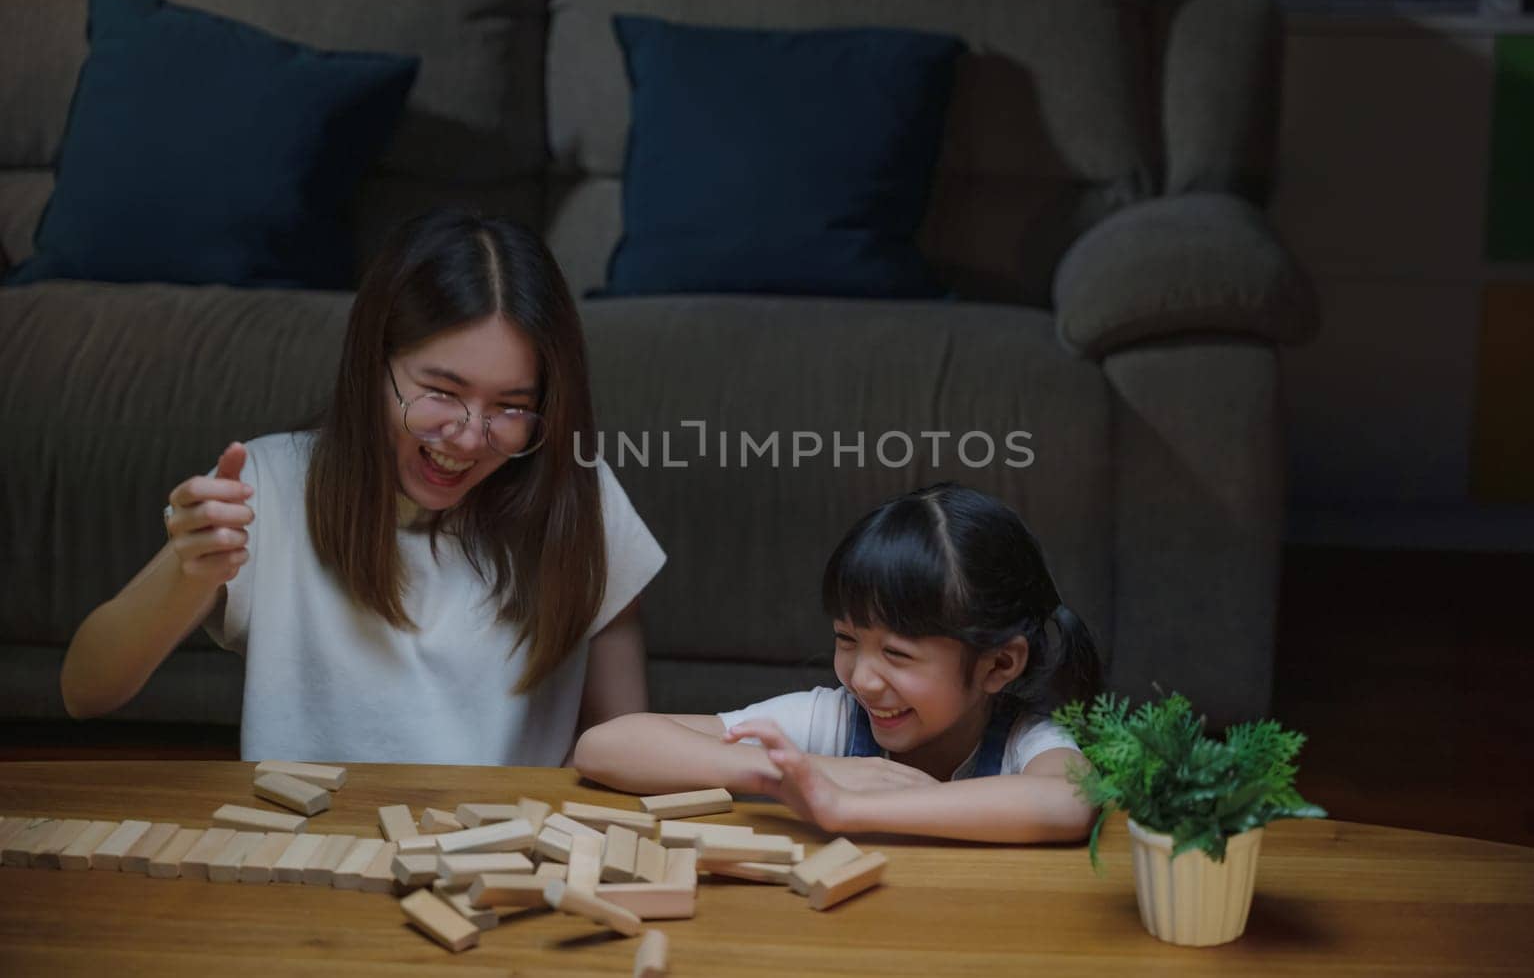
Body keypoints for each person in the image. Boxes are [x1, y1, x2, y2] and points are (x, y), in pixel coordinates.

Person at [60, 208, 665, 765]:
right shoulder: (269, 489)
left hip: (500, 868)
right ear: (373, 365)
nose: (469, 437)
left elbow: (626, 748)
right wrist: (188, 571)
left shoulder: (583, 499)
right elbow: (86, 691)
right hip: (308, 860)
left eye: (510, 406)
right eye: (442, 393)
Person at [574, 483, 1101, 843]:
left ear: (999, 665)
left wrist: (847, 808)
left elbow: (1071, 802)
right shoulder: (833, 721)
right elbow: (606, 745)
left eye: (897, 653)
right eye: (847, 639)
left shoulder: (1024, 742)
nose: (862, 678)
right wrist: (793, 775)